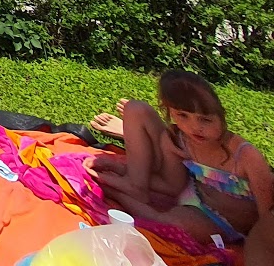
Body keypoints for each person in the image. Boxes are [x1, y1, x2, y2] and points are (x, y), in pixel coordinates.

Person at [92, 70, 273, 246]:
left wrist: (111, 184)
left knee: (171, 223)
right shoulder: (179, 139)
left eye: (205, 120)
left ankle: (116, 192)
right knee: (135, 108)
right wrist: (120, 169)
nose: (195, 127)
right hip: (193, 195)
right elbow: (172, 186)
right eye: (182, 116)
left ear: (221, 116)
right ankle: (130, 180)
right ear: (169, 112)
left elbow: (267, 215)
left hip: (222, 222)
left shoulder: (245, 156)